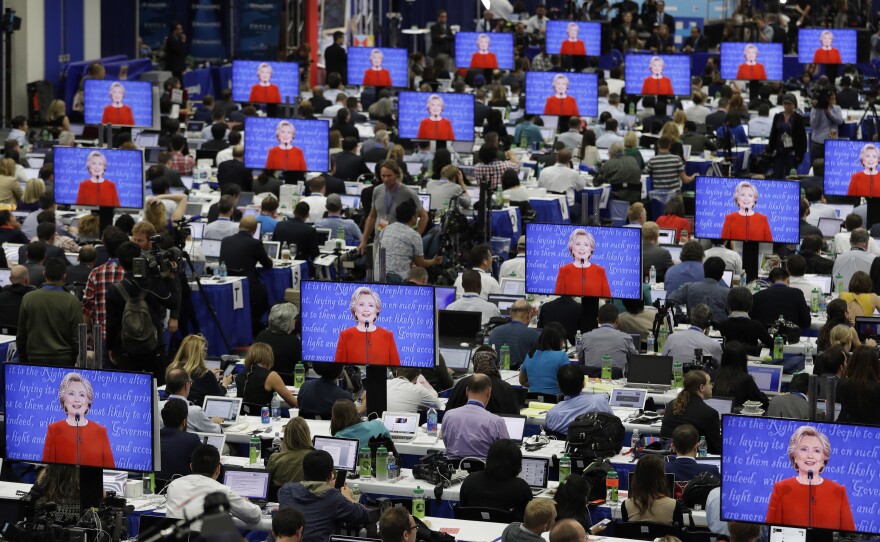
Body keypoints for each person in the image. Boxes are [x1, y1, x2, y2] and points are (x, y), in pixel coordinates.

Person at [765, 426, 854, 529]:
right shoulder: (781, 489)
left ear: (824, 457)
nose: (810, 456)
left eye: (816, 451)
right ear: (794, 456)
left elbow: (848, 534)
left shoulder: (838, 491)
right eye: (804, 449)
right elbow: (771, 534)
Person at [279, 449, 370, 542]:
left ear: (304, 472)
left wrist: (327, 488)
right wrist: (348, 497)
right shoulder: (334, 498)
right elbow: (365, 515)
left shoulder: (286, 491)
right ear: (331, 476)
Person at [166, 444, 262, 529]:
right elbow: (254, 516)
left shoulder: (174, 485)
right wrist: (245, 502)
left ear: (191, 466)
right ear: (218, 469)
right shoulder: (222, 492)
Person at [42, 372, 114, 467]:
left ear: (88, 401)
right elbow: (47, 472)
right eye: (71, 394)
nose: (77, 400)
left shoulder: (100, 431)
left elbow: (111, 472)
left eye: (82, 395)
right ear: (63, 399)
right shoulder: (54, 430)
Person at [17, 257, 81, 365]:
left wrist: (23, 359)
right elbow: (77, 338)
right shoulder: (72, 301)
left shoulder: (28, 298)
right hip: (64, 359)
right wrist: (74, 360)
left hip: (34, 358)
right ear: (64, 276)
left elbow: (21, 334)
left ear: (44, 274)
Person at [460, 439, 534, 521]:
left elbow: (463, 507)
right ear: (516, 462)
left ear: (489, 458)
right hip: (507, 532)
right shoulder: (521, 487)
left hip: (471, 529)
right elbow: (528, 517)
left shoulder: (470, 479)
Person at [442, 374, 509, 458]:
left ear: (466, 391)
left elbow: (447, 443)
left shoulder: (448, 416)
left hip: (453, 469)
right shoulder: (496, 422)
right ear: (488, 392)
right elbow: (507, 452)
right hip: (485, 469)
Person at [378, 200, 442, 284]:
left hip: (379, 275)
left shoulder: (385, 229)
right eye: (416, 215)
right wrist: (433, 261)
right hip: (398, 281)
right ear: (412, 217)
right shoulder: (414, 235)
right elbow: (420, 263)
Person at [334, 286, 400, 365]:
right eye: (361, 304)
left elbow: (396, 367)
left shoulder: (387, 336)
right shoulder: (345, 335)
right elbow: (339, 368)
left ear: (377, 310)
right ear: (354, 310)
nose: (366, 309)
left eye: (371, 305)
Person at [660, 369, 722, 454]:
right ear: (702, 387)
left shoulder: (671, 404)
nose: (712, 386)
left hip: (667, 456)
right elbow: (717, 449)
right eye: (710, 383)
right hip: (694, 459)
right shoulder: (710, 413)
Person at [447, 346, 521, 414]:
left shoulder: (462, 384)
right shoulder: (505, 388)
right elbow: (515, 417)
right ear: (495, 363)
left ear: (474, 363)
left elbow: (448, 413)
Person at [546, 364, 613, 435]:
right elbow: (614, 425)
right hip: (599, 445)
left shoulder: (552, 414)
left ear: (558, 386)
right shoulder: (600, 401)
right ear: (584, 383)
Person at [235, 343, 298, 413]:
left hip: (243, 418)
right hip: (264, 419)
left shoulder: (239, 376)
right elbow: (294, 403)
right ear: (268, 358)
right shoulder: (271, 376)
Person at [578, 304, 637, 376]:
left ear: (598, 320)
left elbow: (580, 360)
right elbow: (635, 360)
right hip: (617, 382)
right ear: (617, 319)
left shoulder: (585, 337)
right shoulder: (626, 338)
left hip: (592, 382)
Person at [667, 257, 730, 324]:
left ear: (704, 270)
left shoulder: (689, 287)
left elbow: (669, 301)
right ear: (722, 274)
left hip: (694, 328)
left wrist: (682, 318)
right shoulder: (727, 293)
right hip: (719, 330)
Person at [622, 454, 684, 523]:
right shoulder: (673, 505)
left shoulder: (626, 505)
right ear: (661, 477)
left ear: (637, 476)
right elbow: (679, 532)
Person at [160, 367, 222, 434]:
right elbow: (217, 431)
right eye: (190, 383)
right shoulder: (195, 411)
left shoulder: (156, 407)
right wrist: (215, 422)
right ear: (186, 385)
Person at [712, 341, 770, 410]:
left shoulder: (712, 375)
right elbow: (763, 403)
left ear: (724, 357)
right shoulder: (745, 379)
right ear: (743, 359)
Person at [751, 267, 812, 332]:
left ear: (769, 283)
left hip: (765, 339)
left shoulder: (757, 296)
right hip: (790, 339)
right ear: (788, 281)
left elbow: (753, 321)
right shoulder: (797, 294)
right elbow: (806, 323)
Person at [554, 229, 611, 297]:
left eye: (586, 245)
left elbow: (606, 298)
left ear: (591, 249)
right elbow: (558, 298)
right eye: (578, 244)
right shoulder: (564, 270)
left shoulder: (600, 271)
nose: (582, 248)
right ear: (571, 248)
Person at [156, 399, 201, 485]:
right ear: (184, 421)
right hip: (181, 491)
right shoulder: (191, 440)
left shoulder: (151, 438)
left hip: (151, 489)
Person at [717, 287, 773, 356]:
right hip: (751, 363)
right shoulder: (756, 326)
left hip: (728, 362)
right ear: (750, 304)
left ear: (729, 304)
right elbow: (773, 345)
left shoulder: (721, 325)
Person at [255, 303, 301, 385]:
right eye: (294, 319)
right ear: (288, 322)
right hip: (286, 384)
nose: (295, 321)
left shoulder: (261, 335)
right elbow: (302, 367)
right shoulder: (293, 341)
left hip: (261, 382)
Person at [519, 323, 570, 395]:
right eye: (562, 339)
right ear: (558, 340)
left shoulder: (530, 354)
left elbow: (522, 381)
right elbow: (568, 383)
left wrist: (538, 387)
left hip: (532, 400)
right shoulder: (562, 356)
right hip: (554, 401)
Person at [489, 300, 541, 368]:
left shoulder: (495, 331)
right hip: (522, 376)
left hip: (497, 375)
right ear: (529, 315)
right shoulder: (534, 335)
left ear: (510, 313)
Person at [836, 346, 880, 425]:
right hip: (874, 432)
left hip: (848, 430)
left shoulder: (843, 385)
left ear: (853, 362)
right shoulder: (877, 388)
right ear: (875, 365)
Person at [767, 94, 807, 177]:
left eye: (789, 104)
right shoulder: (777, 117)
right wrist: (770, 150)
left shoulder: (798, 118)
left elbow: (802, 137)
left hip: (792, 152)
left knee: (790, 176)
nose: (787, 106)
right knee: (777, 175)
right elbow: (773, 134)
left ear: (794, 105)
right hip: (779, 151)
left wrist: (800, 154)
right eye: (785, 104)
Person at [268, 417, 314, 488]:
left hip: (280, 498)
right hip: (309, 498)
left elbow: (265, 484)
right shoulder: (319, 458)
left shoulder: (275, 459)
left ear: (286, 435)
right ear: (307, 434)